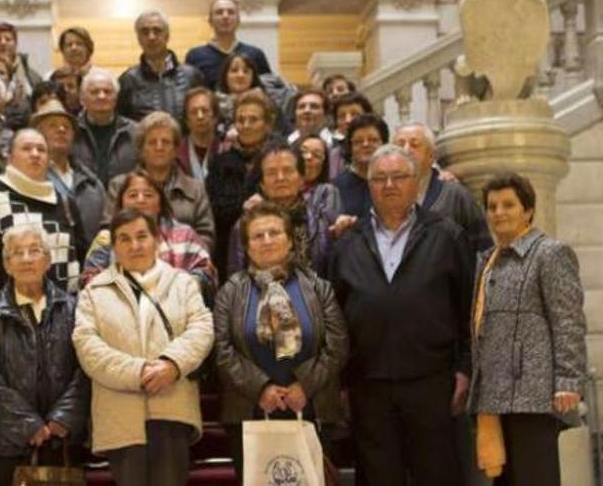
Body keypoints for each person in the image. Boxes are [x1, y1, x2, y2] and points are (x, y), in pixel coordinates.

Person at [328, 145, 473, 486]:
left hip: (432, 381)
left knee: (438, 474)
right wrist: (341, 383)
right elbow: (335, 319)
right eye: (379, 178)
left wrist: (465, 369)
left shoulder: (448, 235)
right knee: (379, 477)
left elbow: (468, 310)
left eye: (398, 177)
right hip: (368, 385)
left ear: (417, 181)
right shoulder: (347, 243)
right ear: (368, 185)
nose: (389, 184)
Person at [72, 208, 214, 486]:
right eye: (124, 239)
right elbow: (87, 347)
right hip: (120, 415)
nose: (134, 245)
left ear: (157, 240)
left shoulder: (183, 283)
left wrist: (172, 365)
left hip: (172, 407)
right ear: (114, 247)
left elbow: (202, 329)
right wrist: (140, 372)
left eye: (141, 236)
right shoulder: (94, 291)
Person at [214, 201, 348, 479]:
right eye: (257, 236)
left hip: (312, 409)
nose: (266, 241)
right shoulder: (229, 292)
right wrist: (261, 388)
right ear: (247, 247)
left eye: (274, 233)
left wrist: (305, 386)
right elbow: (222, 350)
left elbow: (337, 344)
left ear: (289, 240)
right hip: (250, 410)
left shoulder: (318, 287)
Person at [470, 172, 587, 485]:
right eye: (492, 206)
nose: (499, 213)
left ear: (528, 210)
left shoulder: (550, 253)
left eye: (508, 204)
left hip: (534, 395)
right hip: (495, 395)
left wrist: (568, 380)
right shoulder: (489, 261)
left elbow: (568, 320)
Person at [0, 223, 89, 486]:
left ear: (47, 260)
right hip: (5, 443)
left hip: (62, 439)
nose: (25, 259)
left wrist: (62, 418)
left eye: (34, 251)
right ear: (6, 264)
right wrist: (28, 425)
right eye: (16, 253)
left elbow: (87, 368)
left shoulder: (73, 308)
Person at [0, 128, 85, 308]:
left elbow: (77, 258)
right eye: (26, 148)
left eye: (41, 149)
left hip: (56, 316)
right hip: (4, 318)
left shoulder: (64, 203)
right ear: (10, 157)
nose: (35, 154)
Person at [81, 169, 216, 301]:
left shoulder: (185, 235)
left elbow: (207, 273)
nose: (141, 200)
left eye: (148, 195)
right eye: (133, 195)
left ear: (160, 204)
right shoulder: (106, 239)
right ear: (121, 203)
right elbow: (89, 280)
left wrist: (182, 289)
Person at [106, 111, 216, 251]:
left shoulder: (195, 189)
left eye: (166, 142)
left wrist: (179, 259)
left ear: (176, 149)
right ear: (141, 149)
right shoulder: (119, 185)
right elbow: (107, 232)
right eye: (152, 142)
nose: (159, 147)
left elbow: (206, 236)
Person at [229, 141, 340, 278]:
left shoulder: (322, 222)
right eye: (271, 173)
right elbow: (236, 279)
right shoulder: (245, 225)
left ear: (301, 180)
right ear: (262, 184)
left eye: (287, 171)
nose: (280, 178)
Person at [206, 88, 281, 275]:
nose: (246, 125)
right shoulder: (220, 162)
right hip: (231, 253)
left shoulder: (280, 157)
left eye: (253, 119)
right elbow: (215, 209)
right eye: (240, 120)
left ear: (267, 124)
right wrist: (244, 206)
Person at [393, 121, 492, 253]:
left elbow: (484, 248)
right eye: (400, 145)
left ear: (431, 155)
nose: (406, 150)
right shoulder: (383, 194)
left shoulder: (455, 195)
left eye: (414, 145)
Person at [31, 99, 107, 241]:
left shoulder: (92, 184)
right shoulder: (29, 180)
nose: (61, 130)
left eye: (66, 126)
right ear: (38, 134)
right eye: (53, 125)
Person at [117, 10, 204, 121]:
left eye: (157, 31)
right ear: (138, 38)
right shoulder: (128, 80)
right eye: (145, 32)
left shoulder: (191, 76)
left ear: (167, 36)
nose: (151, 37)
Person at [186, 0, 272, 89]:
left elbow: (267, 92)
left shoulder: (256, 55)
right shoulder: (195, 56)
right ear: (210, 21)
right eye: (219, 12)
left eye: (231, 12)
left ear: (238, 20)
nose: (225, 16)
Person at [72, 69, 139, 186]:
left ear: (116, 99)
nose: (102, 96)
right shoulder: (71, 132)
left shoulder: (135, 132)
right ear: (82, 99)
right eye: (94, 92)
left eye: (107, 92)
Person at [331, 113, 388, 221]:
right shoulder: (335, 188)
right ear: (350, 147)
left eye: (373, 140)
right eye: (358, 141)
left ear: (384, 144)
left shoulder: (393, 182)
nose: (365, 144)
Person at [177, 87, 224, 181]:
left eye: (205, 111)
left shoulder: (226, 149)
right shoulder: (176, 154)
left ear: (215, 117)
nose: (200, 116)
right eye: (194, 112)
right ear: (186, 120)